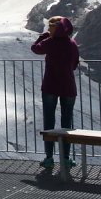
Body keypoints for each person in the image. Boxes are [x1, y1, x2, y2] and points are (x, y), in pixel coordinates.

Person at [31, 15, 80, 169]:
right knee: (67, 122)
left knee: (49, 121)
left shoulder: (49, 42)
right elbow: (74, 64)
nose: (48, 29)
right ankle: (65, 158)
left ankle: (49, 157)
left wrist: (42, 37)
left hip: (50, 86)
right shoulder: (72, 44)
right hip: (68, 86)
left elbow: (35, 49)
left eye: (50, 27)